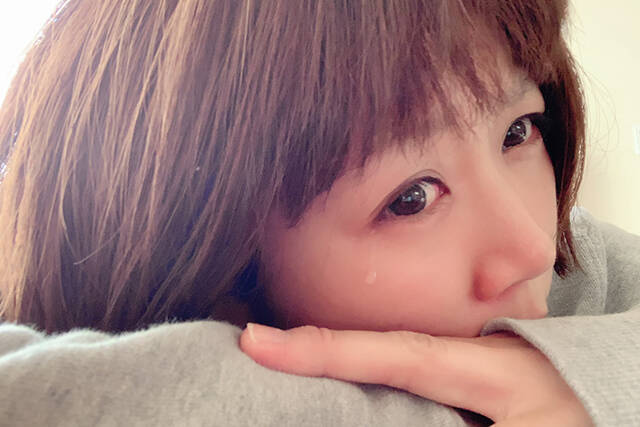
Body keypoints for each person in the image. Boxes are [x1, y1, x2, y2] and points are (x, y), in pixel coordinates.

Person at [0, 0, 638, 425]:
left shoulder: (576, 268)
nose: (533, 247)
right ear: (223, 282)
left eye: (518, 132)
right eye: (411, 198)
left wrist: (594, 383)